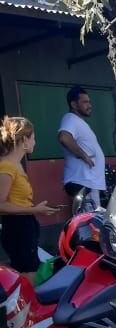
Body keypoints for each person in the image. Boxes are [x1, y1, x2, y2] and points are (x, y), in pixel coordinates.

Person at [0, 116, 59, 280]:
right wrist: (34, 209)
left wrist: (35, 210)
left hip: (25, 224)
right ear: (24, 139)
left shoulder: (16, 164)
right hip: (17, 227)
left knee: (32, 266)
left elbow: (17, 200)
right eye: (33, 138)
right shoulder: (6, 166)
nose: (35, 142)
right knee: (28, 272)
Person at [57, 86, 107, 207]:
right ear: (74, 104)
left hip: (88, 184)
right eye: (85, 102)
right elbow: (64, 137)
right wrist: (83, 155)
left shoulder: (79, 122)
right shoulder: (70, 118)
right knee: (88, 223)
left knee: (93, 222)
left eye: (89, 102)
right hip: (83, 183)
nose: (89, 105)